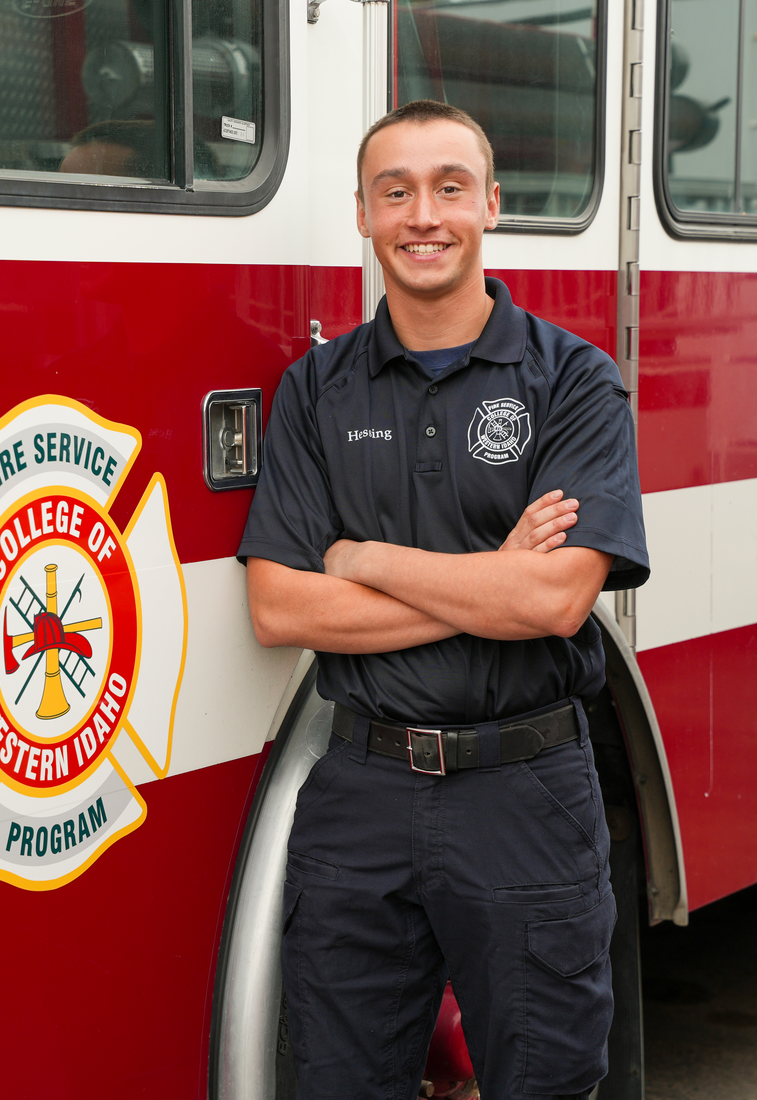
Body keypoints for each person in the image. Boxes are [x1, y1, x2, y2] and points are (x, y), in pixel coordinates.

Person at [238, 99, 650, 1100]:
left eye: (448, 188)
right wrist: (488, 579)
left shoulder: (572, 384)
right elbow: (280, 610)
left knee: (541, 1080)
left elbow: (554, 599)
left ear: (489, 206)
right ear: (363, 215)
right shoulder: (315, 391)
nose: (422, 214)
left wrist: (362, 554)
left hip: (525, 794)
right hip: (360, 793)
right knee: (338, 1080)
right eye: (396, 191)